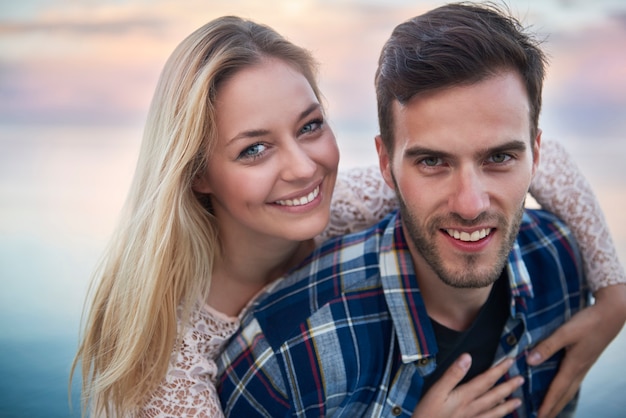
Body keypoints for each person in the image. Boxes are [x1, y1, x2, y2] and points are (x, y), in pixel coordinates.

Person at [71, 11, 625, 418]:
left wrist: (614, 294)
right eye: (253, 149)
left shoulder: (352, 200)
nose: (303, 168)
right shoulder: (166, 345)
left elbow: (534, 157)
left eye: (310, 126)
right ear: (196, 174)